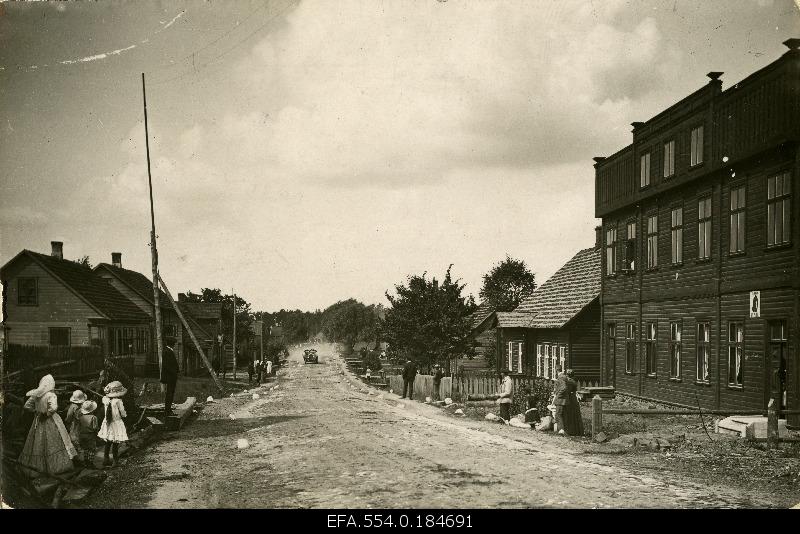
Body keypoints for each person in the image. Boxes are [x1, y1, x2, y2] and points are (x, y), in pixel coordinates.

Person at [18, 374, 78, 476]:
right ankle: (55, 467)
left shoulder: (36, 395)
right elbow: (53, 408)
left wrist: (36, 412)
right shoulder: (51, 395)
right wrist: (47, 413)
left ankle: (38, 467)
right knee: (54, 441)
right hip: (50, 420)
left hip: (38, 420)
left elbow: (26, 406)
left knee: (37, 442)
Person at [98, 381, 128, 468]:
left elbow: (105, 400)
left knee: (108, 442)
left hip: (108, 422)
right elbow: (123, 413)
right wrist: (125, 416)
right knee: (115, 443)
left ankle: (105, 459)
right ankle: (115, 461)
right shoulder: (118, 401)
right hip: (116, 422)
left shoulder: (105, 400)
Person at [64, 389, 87, 458]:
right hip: (79, 424)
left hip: (75, 425)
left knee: (73, 441)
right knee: (77, 441)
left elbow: (69, 417)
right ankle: (78, 457)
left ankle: (74, 457)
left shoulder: (72, 407)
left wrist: (67, 422)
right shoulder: (80, 406)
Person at [76, 400, 99, 467]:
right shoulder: (93, 417)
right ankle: (90, 463)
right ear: (92, 410)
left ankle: (86, 462)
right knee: (91, 449)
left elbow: (79, 427)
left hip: (82, 434)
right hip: (90, 435)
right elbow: (95, 428)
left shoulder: (81, 417)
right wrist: (97, 434)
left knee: (85, 448)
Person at [161, 336, 179, 418]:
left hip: (171, 376)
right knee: (169, 394)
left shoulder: (168, 351)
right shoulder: (167, 352)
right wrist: (174, 372)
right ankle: (167, 411)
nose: (175, 345)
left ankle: (168, 410)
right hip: (170, 377)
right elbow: (167, 365)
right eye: (174, 343)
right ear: (172, 344)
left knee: (171, 393)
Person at [562, 369, 584, 436]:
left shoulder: (570, 382)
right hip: (574, 398)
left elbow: (568, 391)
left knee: (570, 414)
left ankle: (571, 431)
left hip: (570, 399)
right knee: (575, 414)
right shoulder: (573, 381)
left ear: (568, 375)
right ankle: (577, 431)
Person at [552, 367, 569, 435]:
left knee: (558, 414)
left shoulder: (561, 377)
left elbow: (564, 388)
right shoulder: (564, 376)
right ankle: (564, 430)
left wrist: (558, 395)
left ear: (556, 370)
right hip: (563, 399)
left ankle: (561, 430)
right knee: (562, 414)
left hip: (560, 400)